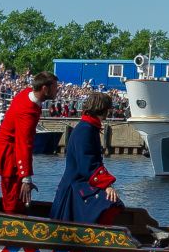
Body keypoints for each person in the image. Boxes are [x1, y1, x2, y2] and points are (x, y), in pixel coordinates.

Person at [0, 72, 57, 214]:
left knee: (14, 195)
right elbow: (24, 144)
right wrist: (26, 178)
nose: (57, 91)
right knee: (13, 197)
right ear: (45, 88)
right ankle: (10, 226)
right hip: (9, 153)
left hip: (8, 149)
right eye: (55, 87)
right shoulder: (27, 113)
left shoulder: (26, 93)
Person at [51, 92, 124, 225]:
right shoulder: (86, 129)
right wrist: (106, 185)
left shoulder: (89, 127)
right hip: (75, 187)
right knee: (111, 202)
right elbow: (88, 164)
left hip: (81, 183)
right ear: (103, 109)